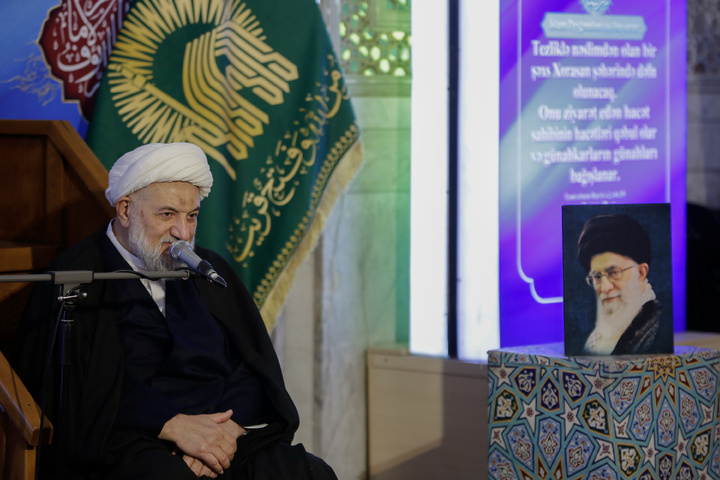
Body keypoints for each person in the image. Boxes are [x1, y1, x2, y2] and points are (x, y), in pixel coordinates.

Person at [12, 143, 337, 480]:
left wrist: (220, 434)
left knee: (305, 472)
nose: (183, 233)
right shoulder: (78, 278)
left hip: (220, 434)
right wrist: (173, 426)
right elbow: (81, 395)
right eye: (167, 214)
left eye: (192, 216)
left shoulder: (207, 269)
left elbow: (252, 366)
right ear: (125, 210)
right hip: (131, 440)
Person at [576, 213, 669, 355]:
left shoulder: (659, 327)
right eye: (597, 277)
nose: (605, 288)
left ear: (641, 273)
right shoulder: (600, 334)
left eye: (614, 272)